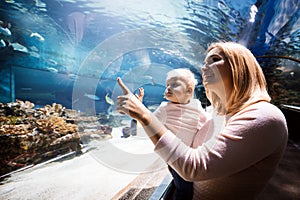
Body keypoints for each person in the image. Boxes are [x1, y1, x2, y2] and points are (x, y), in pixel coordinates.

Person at [116, 42, 288, 199]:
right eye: (204, 64)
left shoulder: (266, 116)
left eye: (215, 59)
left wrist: (144, 115)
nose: (204, 68)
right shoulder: (219, 115)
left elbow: (195, 168)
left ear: (241, 66)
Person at [136, 68, 210, 199]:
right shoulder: (164, 108)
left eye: (174, 85)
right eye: (167, 85)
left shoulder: (196, 106)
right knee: (185, 189)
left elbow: (207, 125)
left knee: (187, 183)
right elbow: (149, 123)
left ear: (189, 91)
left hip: (192, 155)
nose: (168, 88)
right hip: (176, 157)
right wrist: (139, 107)